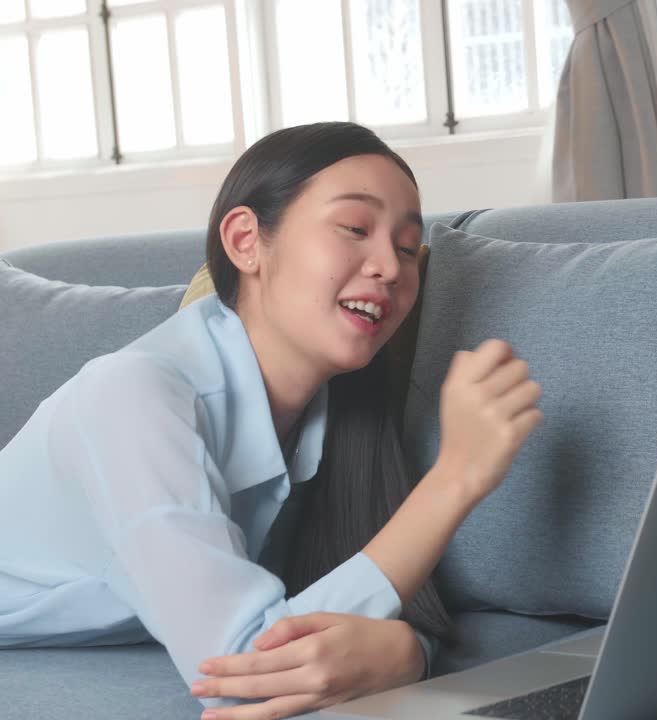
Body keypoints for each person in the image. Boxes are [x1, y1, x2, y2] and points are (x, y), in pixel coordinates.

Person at [0, 122, 544, 720]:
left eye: (408, 247)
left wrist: (406, 650)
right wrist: (456, 478)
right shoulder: (131, 398)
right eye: (355, 229)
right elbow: (240, 671)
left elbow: (337, 614)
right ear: (245, 241)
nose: (389, 266)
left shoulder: (333, 418)